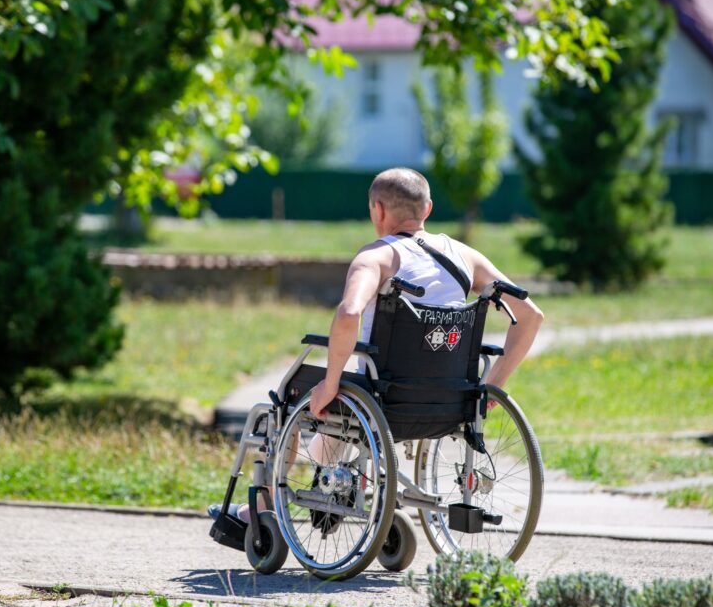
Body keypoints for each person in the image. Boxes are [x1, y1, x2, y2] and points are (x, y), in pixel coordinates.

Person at [208, 167, 543, 522]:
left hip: (382, 398)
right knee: (342, 414)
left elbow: (349, 313)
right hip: (451, 401)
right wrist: (492, 387)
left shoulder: (375, 257)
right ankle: (331, 484)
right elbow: (531, 315)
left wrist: (331, 382)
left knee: (294, 394)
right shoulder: (466, 257)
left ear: (377, 211)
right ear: (427, 209)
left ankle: (264, 507)